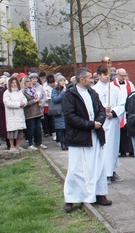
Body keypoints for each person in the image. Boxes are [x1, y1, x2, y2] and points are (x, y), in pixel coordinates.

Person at [62, 68, 112, 212]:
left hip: (95, 136)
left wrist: (99, 122)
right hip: (79, 137)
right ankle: (71, 198)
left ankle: (99, 194)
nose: (92, 79)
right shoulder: (70, 96)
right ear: (81, 79)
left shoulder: (92, 93)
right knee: (76, 168)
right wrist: (89, 124)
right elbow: (70, 116)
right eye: (90, 78)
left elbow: (101, 110)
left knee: (98, 165)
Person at [93, 65, 126, 183]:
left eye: (107, 74)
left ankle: (112, 171)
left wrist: (113, 112)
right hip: (101, 123)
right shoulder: (94, 90)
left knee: (113, 147)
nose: (106, 77)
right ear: (99, 75)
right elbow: (92, 106)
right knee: (103, 148)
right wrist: (102, 110)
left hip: (112, 123)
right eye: (103, 74)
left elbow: (122, 104)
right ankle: (104, 173)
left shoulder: (116, 89)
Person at [113, 68, 134, 158]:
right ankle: (122, 151)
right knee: (120, 131)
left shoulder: (130, 84)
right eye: (122, 75)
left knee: (129, 130)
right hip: (118, 109)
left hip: (128, 109)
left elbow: (133, 94)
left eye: (125, 75)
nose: (123, 77)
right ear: (117, 75)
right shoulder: (112, 85)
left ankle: (131, 150)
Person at [22, 76, 46, 150]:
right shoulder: (23, 92)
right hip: (29, 113)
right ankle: (30, 144)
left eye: (30, 81)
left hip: (37, 112)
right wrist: (34, 101)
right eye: (27, 82)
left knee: (38, 129)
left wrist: (39, 101)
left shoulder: (33, 90)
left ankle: (39, 142)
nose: (29, 83)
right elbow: (25, 103)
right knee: (31, 129)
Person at [3, 76, 27, 151]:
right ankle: (12, 146)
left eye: (15, 82)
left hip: (19, 114)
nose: (14, 84)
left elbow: (24, 99)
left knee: (19, 131)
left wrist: (24, 103)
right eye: (12, 83)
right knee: (12, 131)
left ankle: (18, 145)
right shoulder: (7, 93)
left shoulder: (19, 92)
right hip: (12, 114)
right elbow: (8, 103)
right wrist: (19, 104)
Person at [50, 75, 69, 150]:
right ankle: (62, 143)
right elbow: (55, 99)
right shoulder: (55, 90)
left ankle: (67, 143)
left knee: (66, 129)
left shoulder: (67, 89)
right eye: (61, 81)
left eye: (63, 80)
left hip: (66, 110)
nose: (62, 82)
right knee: (60, 129)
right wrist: (63, 93)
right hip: (59, 111)